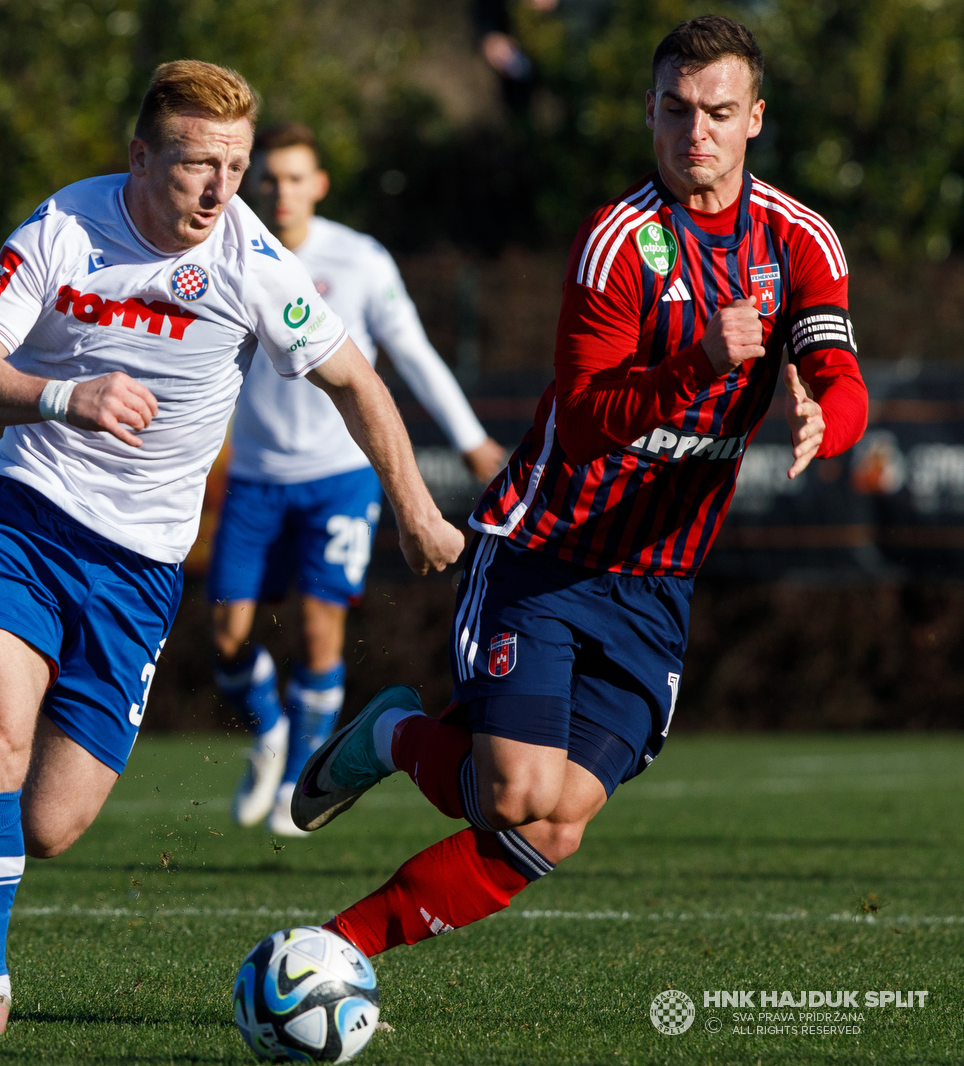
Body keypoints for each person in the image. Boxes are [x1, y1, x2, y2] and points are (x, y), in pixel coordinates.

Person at [0, 60, 467, 1039]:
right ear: (140, 155)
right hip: (27, 514)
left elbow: (357, 383)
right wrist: (67, 395)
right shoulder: (62, 229)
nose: (220, 188)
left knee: (46, 823)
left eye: (234, 164)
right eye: (197, 163)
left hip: (141, 565)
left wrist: (414, 508)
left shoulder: (253, 260)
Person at [291, 16, 867, 961]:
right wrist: (696, 362)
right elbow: (593, 411)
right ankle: (392, 744)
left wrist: (825, 422)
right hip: (546, 556)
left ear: (755, 118)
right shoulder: (617, 241)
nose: (697, 132)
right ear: (650, 112)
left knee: (551, 826)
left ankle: (339, 944)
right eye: (677, 109)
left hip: (656, 585)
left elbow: (838, 372)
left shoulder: (799, 240)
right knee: (516, 793)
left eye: (719, 111)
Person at [208, 123, 508, 837]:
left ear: (319, 185)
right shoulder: (227, 247)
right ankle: (270, 732)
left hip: (338, 476)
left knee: (318, 631)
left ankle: (300, 776)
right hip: (251, 476)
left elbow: (413, 355)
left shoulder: (361, 260)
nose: (281, 191)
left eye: (295, 177)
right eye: (270, 179)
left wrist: (470, 443)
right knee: (225, 639)